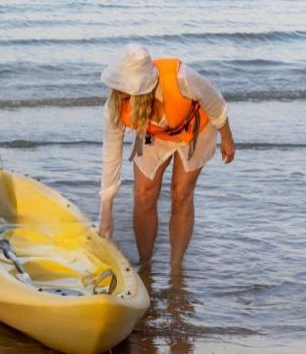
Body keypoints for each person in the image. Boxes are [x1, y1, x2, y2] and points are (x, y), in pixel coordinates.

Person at [97, 43, 236, 272]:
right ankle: (145, 265)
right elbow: (111, 157)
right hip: (153, 134)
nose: (117, 91)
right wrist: (106, 213)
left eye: (123, 86)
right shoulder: (114, 106)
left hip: (194, 128)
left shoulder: (182, 78)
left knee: (181, 194)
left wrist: (227, 138)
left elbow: (216, 104)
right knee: (143, 195)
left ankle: (176, 268)